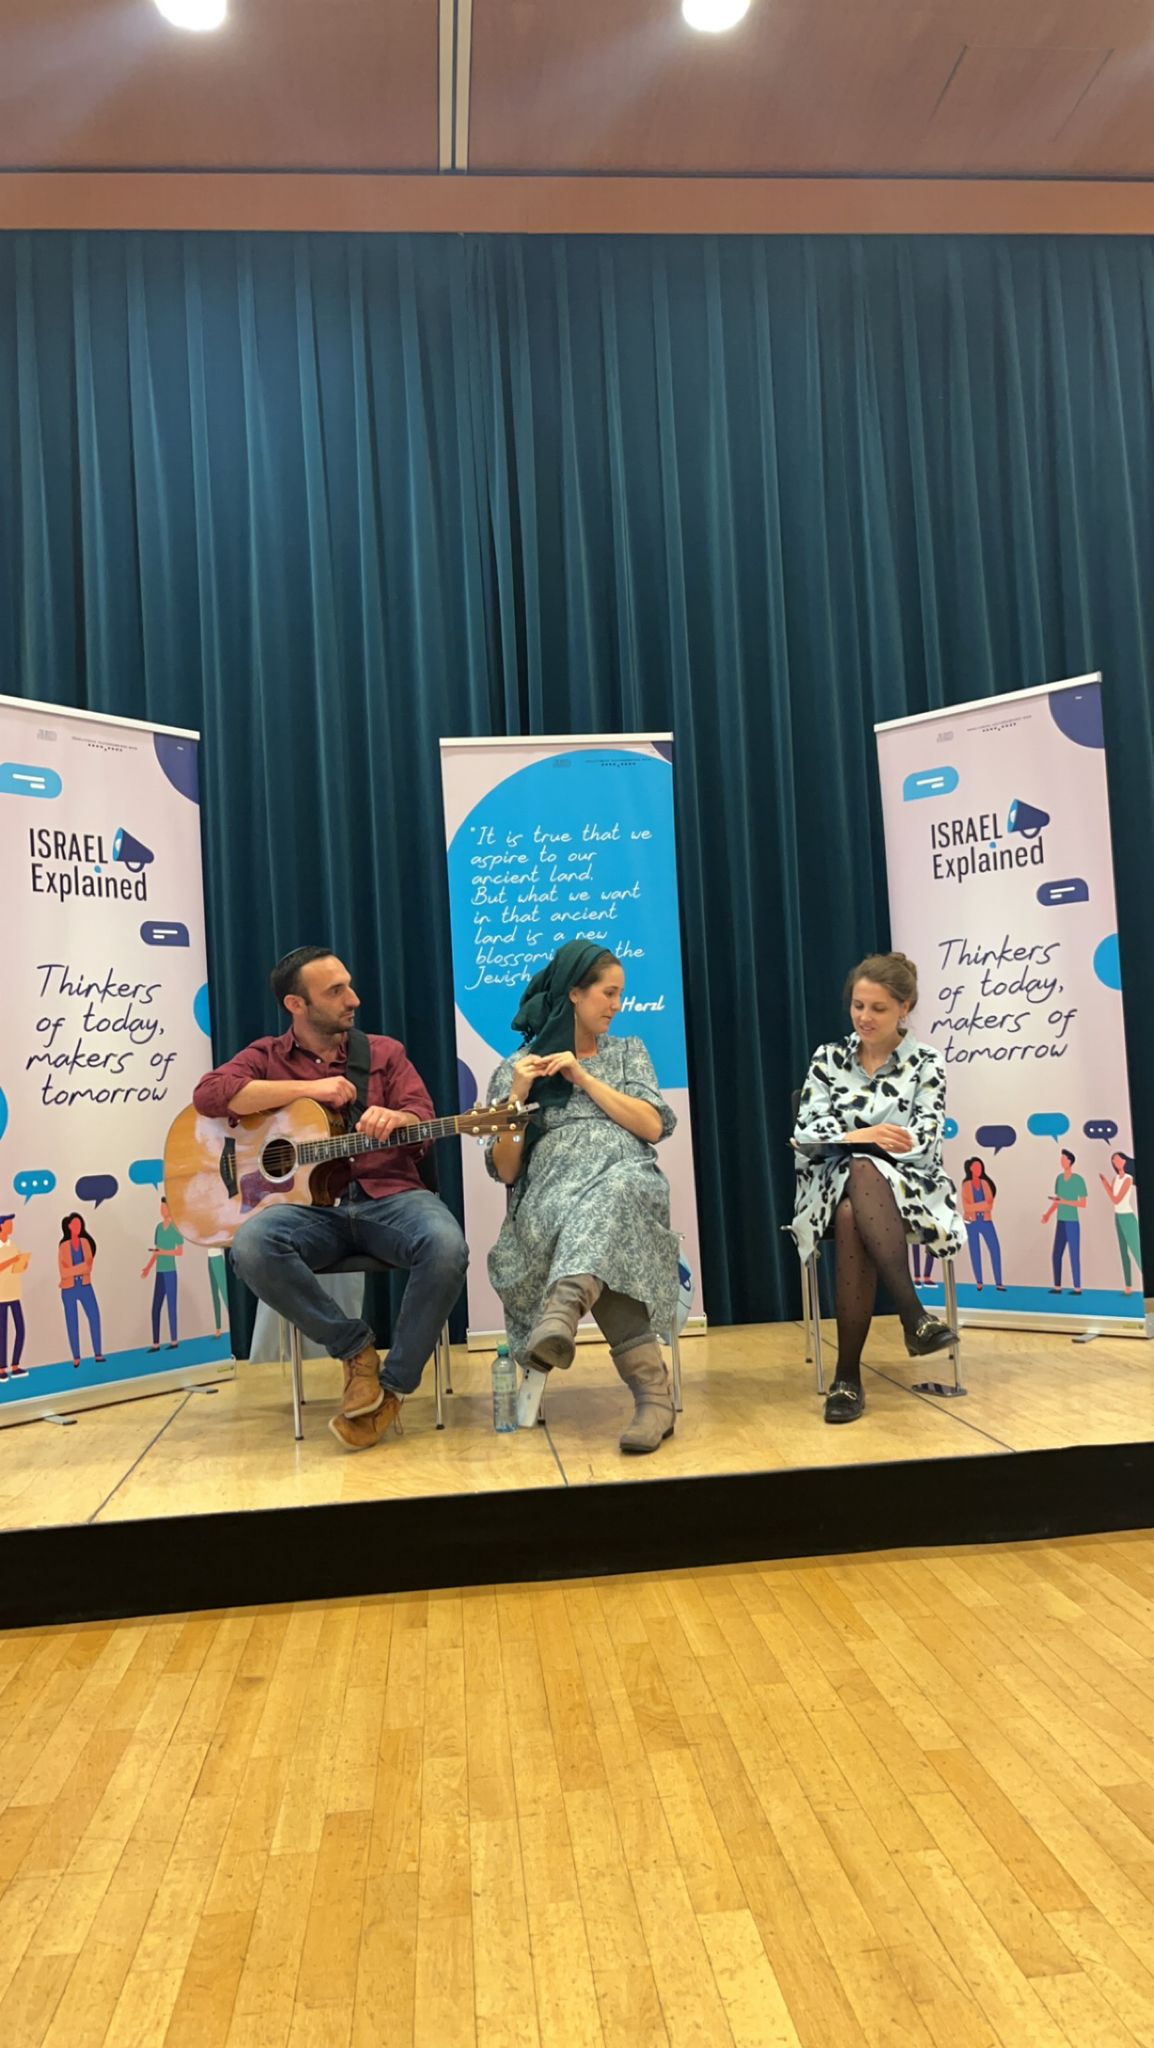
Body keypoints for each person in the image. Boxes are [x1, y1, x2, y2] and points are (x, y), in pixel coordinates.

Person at [192, 946, 468, 1451]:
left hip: (390, 1197)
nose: (353, 999)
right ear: (296, 1004)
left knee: (446, 1246)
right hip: (309, 1213)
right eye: (336, 991)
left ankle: (390, 1390)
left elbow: (421, 1116)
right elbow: (210, 1094)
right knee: (251, 1246)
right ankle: (355, 1349)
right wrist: (314, 1090)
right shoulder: (267, 1057)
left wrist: (400, 1120)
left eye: (349, 985)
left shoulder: (384, 1052)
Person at [485, 940, 679, 1455]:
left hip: (629, 1177)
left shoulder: (627, 1052)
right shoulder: (517, 1069)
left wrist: (584, 1078)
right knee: (604, 1226)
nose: (617, 1005)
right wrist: (516, 1100)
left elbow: (652, 1126)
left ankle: (563, 1311)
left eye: (620, 994)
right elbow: (506, 1170)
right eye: (608, 993)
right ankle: (654, 1399)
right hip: (552, 1196)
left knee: (614, 1193)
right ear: (574, 993)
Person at [790, 952, 962, 1424]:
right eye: (858, 1005)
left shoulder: (927, 1062)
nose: (864, 1017)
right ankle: (912, 1315)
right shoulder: (828, 1059)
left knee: (857, 1201)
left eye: (878, 1008)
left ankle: (847, 1378)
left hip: (910, 1186)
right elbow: (807, 1132)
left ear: (904, 1008)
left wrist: (860, 1146)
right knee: (856, 1180)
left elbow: (923, 1138)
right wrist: (863, 1137)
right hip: (828, 1184)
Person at [58, 1213, 105, 1369]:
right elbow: (63, 1272)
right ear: (69, 1226)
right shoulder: (63, 1246)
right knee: (72, 1322)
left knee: (94, 1316)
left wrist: (73, 1269)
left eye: (80, 1224)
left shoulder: (85, 1243)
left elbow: (88, 1267)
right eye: (75, 1224)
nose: (78, 1227)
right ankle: (76, 1357)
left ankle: (98, 1353)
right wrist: (80, 1268)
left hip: (85, 1285)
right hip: (69, 1289)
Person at [142, 1194, 184, 1350]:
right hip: (159, 1272)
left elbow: (179, 1252)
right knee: (155, 1307)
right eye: (161, 1207)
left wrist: (163, 1252)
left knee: (171, 1307)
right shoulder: (159, 1228)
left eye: (164, 1207)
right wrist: (148, 1267)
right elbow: (156, 1251)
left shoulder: (175, 1228)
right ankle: (156, 1343)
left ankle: (174, 1340)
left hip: (170, 1272)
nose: (162, 1209)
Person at [1042, 1149, 1087, 1294]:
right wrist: (1048, 1214)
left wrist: (1065, 1201)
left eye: (1064, 1159)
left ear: (1070, 1161)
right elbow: (1057, 1201)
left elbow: (1082, 1203)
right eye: (1061, 1159)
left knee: (1074, 1255)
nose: (1061, 1161)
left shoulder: (1078, 1180)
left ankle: (1077, 1288)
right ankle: (1057, 1286)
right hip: (1060, 1221)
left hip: (1072, 1221)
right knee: (1056, 1254)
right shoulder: (1059, 1179)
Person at [1100, 1150, 1141, 1294]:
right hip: (1117, 1217)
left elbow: (1116, 1199)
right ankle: (1128, 1286)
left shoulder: (1128, 1179)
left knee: (1137, 1252)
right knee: (1123, 1252)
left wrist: (1106, 1186)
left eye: (1117, 1159)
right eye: (1113, 1160)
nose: (1115, 1162)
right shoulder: (1115, 1178)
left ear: (1124, 1161)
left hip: (1127, 1217)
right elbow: (1113, 1196)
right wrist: (1106, 1184)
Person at [961, 1156, 1005, 1291]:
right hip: (971, 1222)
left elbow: (989, 1206)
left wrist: (976, 1206)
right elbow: (966, 1207)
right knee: (975, 1251)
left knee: (995, 1249)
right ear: (970, 1168)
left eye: (980, 1167)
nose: (978, 1169)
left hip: (985, 1220)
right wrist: (981, 1205)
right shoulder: (966, 1185)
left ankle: (999, 1282)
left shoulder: (985, 1184)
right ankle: (979, 1282)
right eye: (976, 1167)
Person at [0, 1214, 30, 1383]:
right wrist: (12, 1260)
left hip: (14, 1293)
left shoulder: (13, 1245)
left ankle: (15, 1365)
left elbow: (17, 1265)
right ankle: (1, 1368)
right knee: (2, 1333)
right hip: (1, 1296)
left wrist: (22, 1264)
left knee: (20, 1328)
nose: (11, 1226)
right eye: (8, 1223)